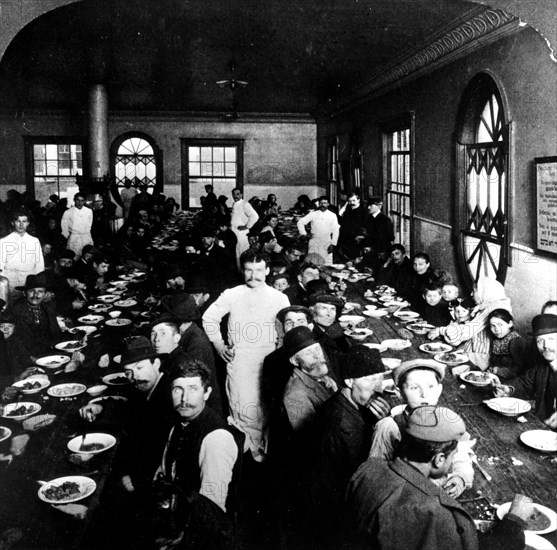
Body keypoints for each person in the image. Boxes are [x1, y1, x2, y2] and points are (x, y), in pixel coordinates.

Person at [348, 405, 529, 550]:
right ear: (439, 459)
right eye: (453, 455)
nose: (453, 459)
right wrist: (514, 521)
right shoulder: (434, 511)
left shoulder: (368, 468)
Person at [202, 250, 289, 461]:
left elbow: (286, 328)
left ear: (268, 271)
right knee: (242, 407)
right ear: (242, 270)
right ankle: (245, 454)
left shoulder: (279, 297)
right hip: (240, 360)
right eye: (249, 270)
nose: (254, 275)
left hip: (268, 359)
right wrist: (218, 344)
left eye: (259, 270)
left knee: (266, 407)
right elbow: (209, 318)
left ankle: (263, 453)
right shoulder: (232, 294)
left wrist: (281, 352)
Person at [310, 346, 390, 548]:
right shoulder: (342, 426)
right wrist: (384, 428)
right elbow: (367, 476)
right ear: (349, 381)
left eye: (380, 378)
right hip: (339, 514)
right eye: (371, 379)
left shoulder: (342, 402)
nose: (379, 387)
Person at [370, 359, 474, 498]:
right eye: (414, 388)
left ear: (439, 390)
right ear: (399, 393)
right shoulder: (389, 426)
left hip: (441, 495)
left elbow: (461, 457)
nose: (424, 394)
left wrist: (460, 478)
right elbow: (376, 471)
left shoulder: (446, 421)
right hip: (405, 498)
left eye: (430, 386)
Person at [155, 360, 239, 513]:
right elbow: (166, 469)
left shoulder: (216, 439)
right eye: (177, 389)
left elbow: (212, 507)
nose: (184, 399)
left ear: (206, 393)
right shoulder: (179, 423)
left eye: (193, 389)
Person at [428, 277, 512, 370]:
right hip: (471, 352)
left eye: (474, 291)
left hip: (477, 358)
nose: (471, 294)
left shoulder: (493, 308)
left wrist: (441, 330)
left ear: (484, 291)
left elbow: (467, 332)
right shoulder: (491, 304)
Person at [159, 294, 223, 417]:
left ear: (177, 319)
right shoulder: (187, 332)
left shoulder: (196, 343)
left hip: (202, 410)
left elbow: (191, 382)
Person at [493, 313, 557, 428]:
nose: (546, 346)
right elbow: (524, 383)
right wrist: (508, 389)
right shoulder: (542, 366)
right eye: (540, 340)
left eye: (551, 339)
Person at [282, 326, 338, 437]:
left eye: (317, 349)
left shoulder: (317, 374)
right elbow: (311, 439)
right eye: (308, 353)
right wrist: (337, 396)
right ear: (294, 361)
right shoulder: (295, 396)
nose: (317, 356)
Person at [10, 271, 63, 359]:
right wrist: (29, 357)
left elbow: (56, 333)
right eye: (31, 291)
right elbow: (16, 341)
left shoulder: (48, 308)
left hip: (49, 352)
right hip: (27, 356)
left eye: (40, 291)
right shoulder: (17, 310)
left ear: (45, 294)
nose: (36, 295)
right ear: (24, 293)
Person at [0, 211, 44, 294]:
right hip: (10, 280)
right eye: (18, 221)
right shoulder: (4, 241)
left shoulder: (34, 241)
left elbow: (39, 265)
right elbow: (0, 266)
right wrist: (4, 285)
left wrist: (34, 283)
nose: (21, 225)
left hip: (29, 280)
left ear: (28, 223)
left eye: (24, 221)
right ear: (13, 223)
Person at [296, 196, 339, 265]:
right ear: (318, 204)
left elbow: (336, 230)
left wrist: (333, 244)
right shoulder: (313, 214)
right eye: (321, 203)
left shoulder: (332, 215)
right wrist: (304, 234)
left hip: (326, 242)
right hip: (314, 241)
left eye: (325, 203)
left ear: (328, 204)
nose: (322, 205)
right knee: (312, 263)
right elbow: (300, 223)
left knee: (326, 264)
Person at [486, 309, 527, 379]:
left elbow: (522, 369)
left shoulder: (516, 341)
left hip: (513, 382)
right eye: (493, 326)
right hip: (496, 378)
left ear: (510, 324)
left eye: (500, 325)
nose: (497, 329)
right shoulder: (496, 340)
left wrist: (498, 370)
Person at [230, 188, 259, 268]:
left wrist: (246, 226)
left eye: (238, 194)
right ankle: (239, 272)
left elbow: (255, 216)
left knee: (242, 253)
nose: (235, 196)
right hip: (235, 232)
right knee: (237, 253)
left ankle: (244, 273)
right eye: (234, 194)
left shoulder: (245, 204)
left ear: (241, 195)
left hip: (241, 233)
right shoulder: (235, 204)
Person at [363, 196, 395, 269]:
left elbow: (390, 237)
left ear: (379, 206)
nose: (368, 207)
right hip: (368, 252)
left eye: (370, 205)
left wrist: (373, 248)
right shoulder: (368, 218)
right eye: (368, 205)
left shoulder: (385, 220)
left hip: (381, 253)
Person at [60, 193, 93, 257]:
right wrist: (70, 237)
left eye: (82, 200)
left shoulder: (89, 211)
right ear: (74, 200)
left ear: (84, 201)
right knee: (75, 256)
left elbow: (89, 224)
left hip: (86, 237)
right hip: (74, 238)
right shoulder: (68, 212)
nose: (79, 202)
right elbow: (64, 227)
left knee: (88, 256)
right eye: (77, 200)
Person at [337, 193, 367, 260]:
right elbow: (342, 225)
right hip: (347, 242)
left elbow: (365, 227)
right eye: (350, 201)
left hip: (358, 241)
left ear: (358, 200)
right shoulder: (347, 212)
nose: (352, 203)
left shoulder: (364, 212)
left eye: (354, 200)